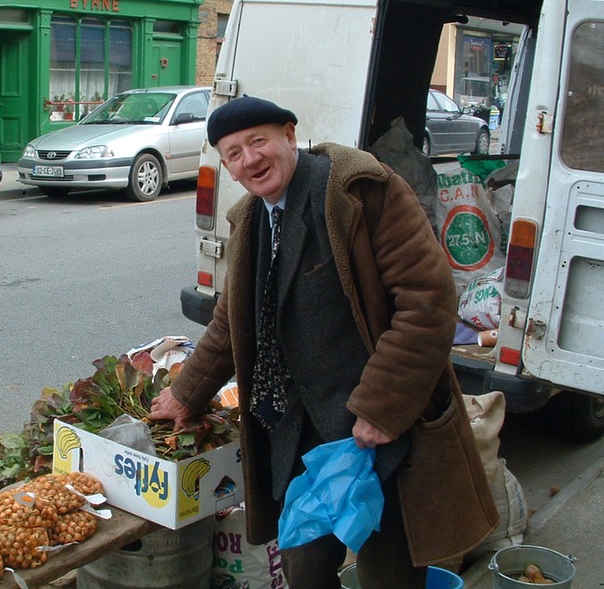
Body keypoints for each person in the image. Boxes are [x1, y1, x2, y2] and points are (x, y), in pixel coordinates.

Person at [148, 96, 498, 589]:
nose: (249, 159)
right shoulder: (250, 220)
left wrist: (380, 408)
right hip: (302, 430)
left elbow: (428, 302)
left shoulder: (359, 194)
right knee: (305, 568)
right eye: (233, 153)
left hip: (382, 427)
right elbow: (232, 324)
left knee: (389, 571)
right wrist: (186, 394)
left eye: (258, 141)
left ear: (289, 136)